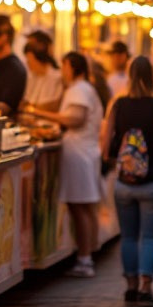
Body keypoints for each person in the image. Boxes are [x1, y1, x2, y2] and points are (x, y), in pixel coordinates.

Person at [99, 56, 153, 306]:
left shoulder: (118, 105)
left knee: (129, 237)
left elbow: (104, 146)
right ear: (152, 77)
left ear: (130, 76)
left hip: (124, 183)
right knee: (151, 238)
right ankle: (146, 288)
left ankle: (130, 287)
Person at [26, 52, 105, 278]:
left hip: (79, 155)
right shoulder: (82, 89)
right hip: (83, 153)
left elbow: (75, 118)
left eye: (64, 66)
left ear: (71, 67)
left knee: (80, 207)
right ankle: (88, 254)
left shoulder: (79, 90)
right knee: (84, 207)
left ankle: (85, 258)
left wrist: (38, 112)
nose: (62, 71)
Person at [21, 32, 64, 112]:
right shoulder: (32, 76)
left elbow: (52, 106)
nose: (27, 62)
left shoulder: (56, 77)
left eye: (29, 59)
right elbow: (26, 102)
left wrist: (33, 107)